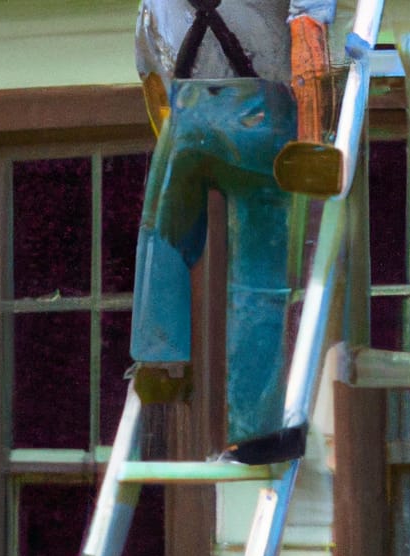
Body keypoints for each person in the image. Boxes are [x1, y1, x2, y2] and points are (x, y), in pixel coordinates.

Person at [129, 0, 340, 462]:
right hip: (261, 118)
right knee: (258, 276)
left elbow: (151, 79)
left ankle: (159, 362)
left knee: (162, 237)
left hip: (185, 121)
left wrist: (179, 137)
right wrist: (312, 140)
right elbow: (308, 49)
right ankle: (257, 433)